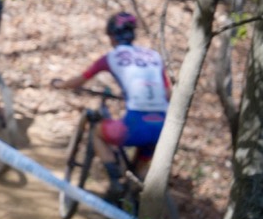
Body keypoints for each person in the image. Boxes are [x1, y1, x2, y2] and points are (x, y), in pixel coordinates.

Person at [51, 11, 172, 203]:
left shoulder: (111, 57)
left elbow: (80, 80)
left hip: (135, 125)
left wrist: (60, 85)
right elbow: (168, 94)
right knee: (140, 167)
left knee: (97, 133)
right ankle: (133, 201)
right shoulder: (154, 56)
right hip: (162, 125)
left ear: (113, 35)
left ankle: (115, 181)